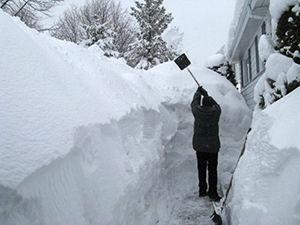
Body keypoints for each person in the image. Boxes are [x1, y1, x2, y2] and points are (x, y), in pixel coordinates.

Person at [191, 86, 222, 201]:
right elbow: (217, 105)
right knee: (212, 170)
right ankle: (212, 192)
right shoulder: (216, 112)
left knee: (201, 168)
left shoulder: (197, 112)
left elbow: (193, 104)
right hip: (213, 147)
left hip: (200, 146)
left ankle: (202, 190)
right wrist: (207, 95)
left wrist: (198, 93)